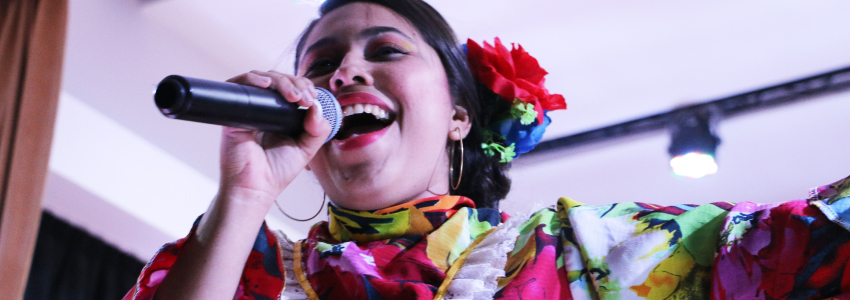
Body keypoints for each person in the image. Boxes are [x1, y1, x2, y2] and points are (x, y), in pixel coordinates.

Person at [124, 0, 850, 299]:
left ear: (458, 118)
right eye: (320, 65)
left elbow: (807, 243)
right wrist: (244, 195)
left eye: (385, 50)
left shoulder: (571, 255)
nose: (344, 72)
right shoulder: (241, 271)